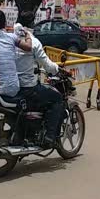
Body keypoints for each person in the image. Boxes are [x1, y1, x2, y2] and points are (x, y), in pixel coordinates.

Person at [14, 11, 64, 147]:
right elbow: (46, 64)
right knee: (57, 99)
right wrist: (57, 69)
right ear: (32, 24)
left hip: (11, 86)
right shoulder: (33, 42)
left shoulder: (10, 38)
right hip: (28, 88)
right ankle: (49, 137)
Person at [0, 9, 32, 100]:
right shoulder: (12, 37)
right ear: (4, 23)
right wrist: (28, 35)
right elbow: (28, 47)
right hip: (13, 88)